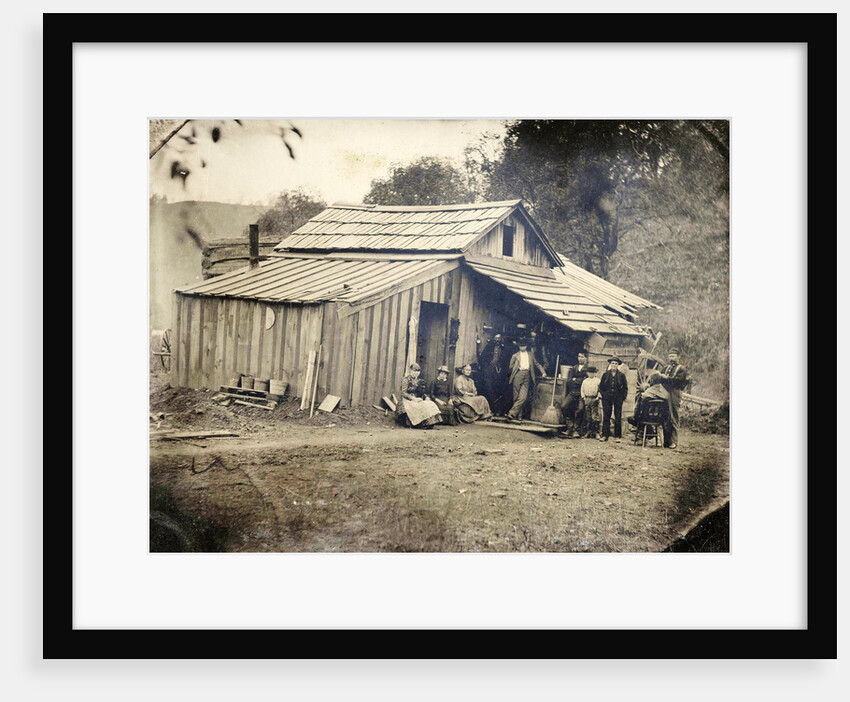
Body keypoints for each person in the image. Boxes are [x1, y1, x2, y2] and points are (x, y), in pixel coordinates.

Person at [506, 337, 547, 420]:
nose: (522, 347)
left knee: (523, 397)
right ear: (518, 346)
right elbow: (510, 366)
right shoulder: (515, 355)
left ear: (526, 346)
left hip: (527, 375)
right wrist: (515, 370)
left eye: (523, 346)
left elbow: (537, 364)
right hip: (518, 375)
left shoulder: (530, 354)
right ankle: (519, 416)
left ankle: (512, 413)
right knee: (516, 396)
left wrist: (543, 372)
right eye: (520, 346)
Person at [658, 348, 690, 449]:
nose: (671, 358)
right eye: (670, 356)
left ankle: (674, 442)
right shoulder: (665, 368)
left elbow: (678, 382)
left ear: (678, 357)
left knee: (674, 416)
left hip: (674, 393)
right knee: (665, 416)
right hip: (664, 392)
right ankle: (666, 442)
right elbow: (660, 378)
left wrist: (666, 378)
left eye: (673, 356)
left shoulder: (681, 369)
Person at [396, 363, 441, 429]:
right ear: (410, 371)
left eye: (418, 371)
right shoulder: (406, 379)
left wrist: (426, 397)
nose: (416, 373)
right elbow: (403, 393)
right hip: (407, 400)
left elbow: (422, 392)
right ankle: (418, 424)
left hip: (417, 399)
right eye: (414, 371)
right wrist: (413, 398)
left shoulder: (419, 380)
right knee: (416, 406)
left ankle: (428, 423)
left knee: (430, 404)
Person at [478, 333, 510, 415]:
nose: (497, 340)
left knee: (498, 389)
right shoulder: (488, 347)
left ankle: (497, 410)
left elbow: (507, 360)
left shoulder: (504, 349)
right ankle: (489, 409)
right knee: (488, 388)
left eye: (499, 338)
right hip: (489, 370)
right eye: (496, 338)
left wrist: (501, 367)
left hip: (499, 371)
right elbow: (482, 358)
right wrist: (486, 367)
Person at [599, 356, 629, 443]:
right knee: (606, 416)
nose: (614, 365)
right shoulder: (605, 375)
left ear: (618, 365)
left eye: (616, 364)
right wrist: (604, 395)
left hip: (617, 397)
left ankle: (617, 436)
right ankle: (605, 435)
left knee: (618, 416)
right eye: (612, 363)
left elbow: (625, 388)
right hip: (607, 398)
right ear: (610, 364)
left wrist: (622, 397)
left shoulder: (621, 375)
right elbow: (601, 387)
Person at [560, 351, 589, 437]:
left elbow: (586, 381)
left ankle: (576, 430)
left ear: (586, 358)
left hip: (582, 393)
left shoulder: (588, 369)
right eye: (579, 356)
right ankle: (570, 427)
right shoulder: (574, 368)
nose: (580, 358)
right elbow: (569, 381)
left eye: (582, 357)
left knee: (580, 409)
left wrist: (575, 379)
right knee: (564, 406)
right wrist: (578, 380)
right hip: (573, 392)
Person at [579, 366, 601, 439]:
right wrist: (584, 397)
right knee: (587, 416)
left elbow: (600, 390)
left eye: (593, 373)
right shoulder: (585, 381)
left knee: (595, 416)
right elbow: (582, 390)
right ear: (587, 373)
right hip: (587, 398)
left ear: (595, 373)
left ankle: (596, 432)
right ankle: (588, 432)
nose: (591, 374)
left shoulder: (598, 381)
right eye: (589, 373)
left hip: (594, 398)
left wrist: (598, 397)